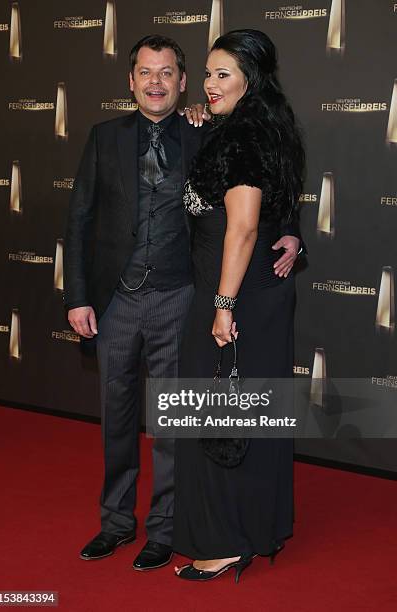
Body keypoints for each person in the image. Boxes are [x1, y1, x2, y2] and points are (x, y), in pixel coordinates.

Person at [64, 34, 302, 572]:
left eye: (166, 71)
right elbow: (78, 220)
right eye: (145, 72)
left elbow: (262, 189)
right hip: (117, 301)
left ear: (182, 81)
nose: (155, 81)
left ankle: (166, 529)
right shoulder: (104, 137)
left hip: (181, 297)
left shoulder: (209, 130)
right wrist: (77, 296)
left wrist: (291, 231)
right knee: (117, 418)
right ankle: (116, 523)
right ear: (130, 82)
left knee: (175, 426)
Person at [173, 29, 305, 581]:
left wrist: (223, 306)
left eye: (222, 73)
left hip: (236, 295)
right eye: (207, 73)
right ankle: (257, 527)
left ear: (251, 77)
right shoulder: (264, 126)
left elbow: (245, 228)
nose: (208, 83)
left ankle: (226, 541)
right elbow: (275, 208)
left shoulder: (243, 136)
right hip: (258, 295)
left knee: (219, 414)